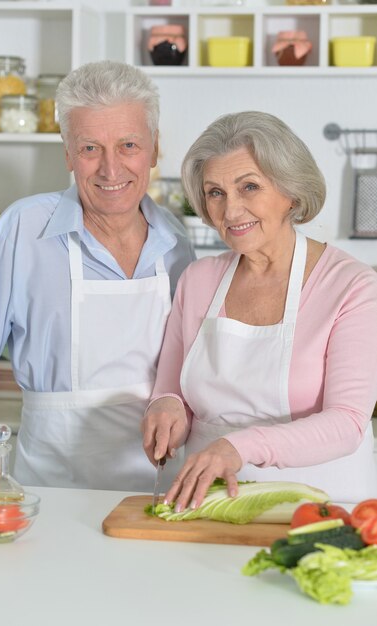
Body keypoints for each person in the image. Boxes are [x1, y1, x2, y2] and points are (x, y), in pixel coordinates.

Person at [0, 61, 195, 492]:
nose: (110, 169)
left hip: (157, 481)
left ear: (154, 148)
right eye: (90, 148)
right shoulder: (22, 229)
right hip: (52, 480)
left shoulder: (176, 243)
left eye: (128, 145)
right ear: (67, 153)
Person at [142, 110, 377, 507]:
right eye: (215, 192)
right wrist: (166, 407)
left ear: (292, 191)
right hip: (206, 504)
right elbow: (171, 390)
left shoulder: (351, 285)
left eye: (249, 187)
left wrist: (237, 447)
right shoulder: (198, 280)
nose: (231, 211)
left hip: (320, 506)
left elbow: (347, 423)